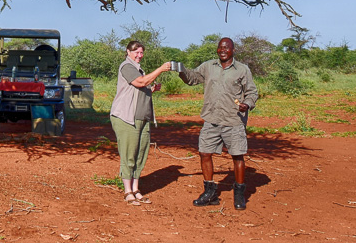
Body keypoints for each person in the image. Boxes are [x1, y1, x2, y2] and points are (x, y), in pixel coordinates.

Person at [177, 37, 258, 209]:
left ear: (233, 50)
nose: (222, 50)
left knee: (237, 155)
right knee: (204, 153)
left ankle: (239, 194)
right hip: (212, 119)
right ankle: (210, 192)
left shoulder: (242, 69)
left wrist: (247, 104)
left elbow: (252, 92)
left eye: (226, 48)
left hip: (233, 120)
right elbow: (192, 79)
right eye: (220, 47)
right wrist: (180, 69)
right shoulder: (208, 66)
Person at [110, 40, 172, 205]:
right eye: (136, 52)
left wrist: (151, 90)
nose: (139, 55)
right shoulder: (126, 66)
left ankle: (136, 189)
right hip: (127, 117)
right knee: (129, 153)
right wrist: (160, 69)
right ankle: (127, 191)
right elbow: (141, 82)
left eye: (141, 52)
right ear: (128, 52)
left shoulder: (138, 69)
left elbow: (139, 88)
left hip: (143, 117)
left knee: (141, 154)